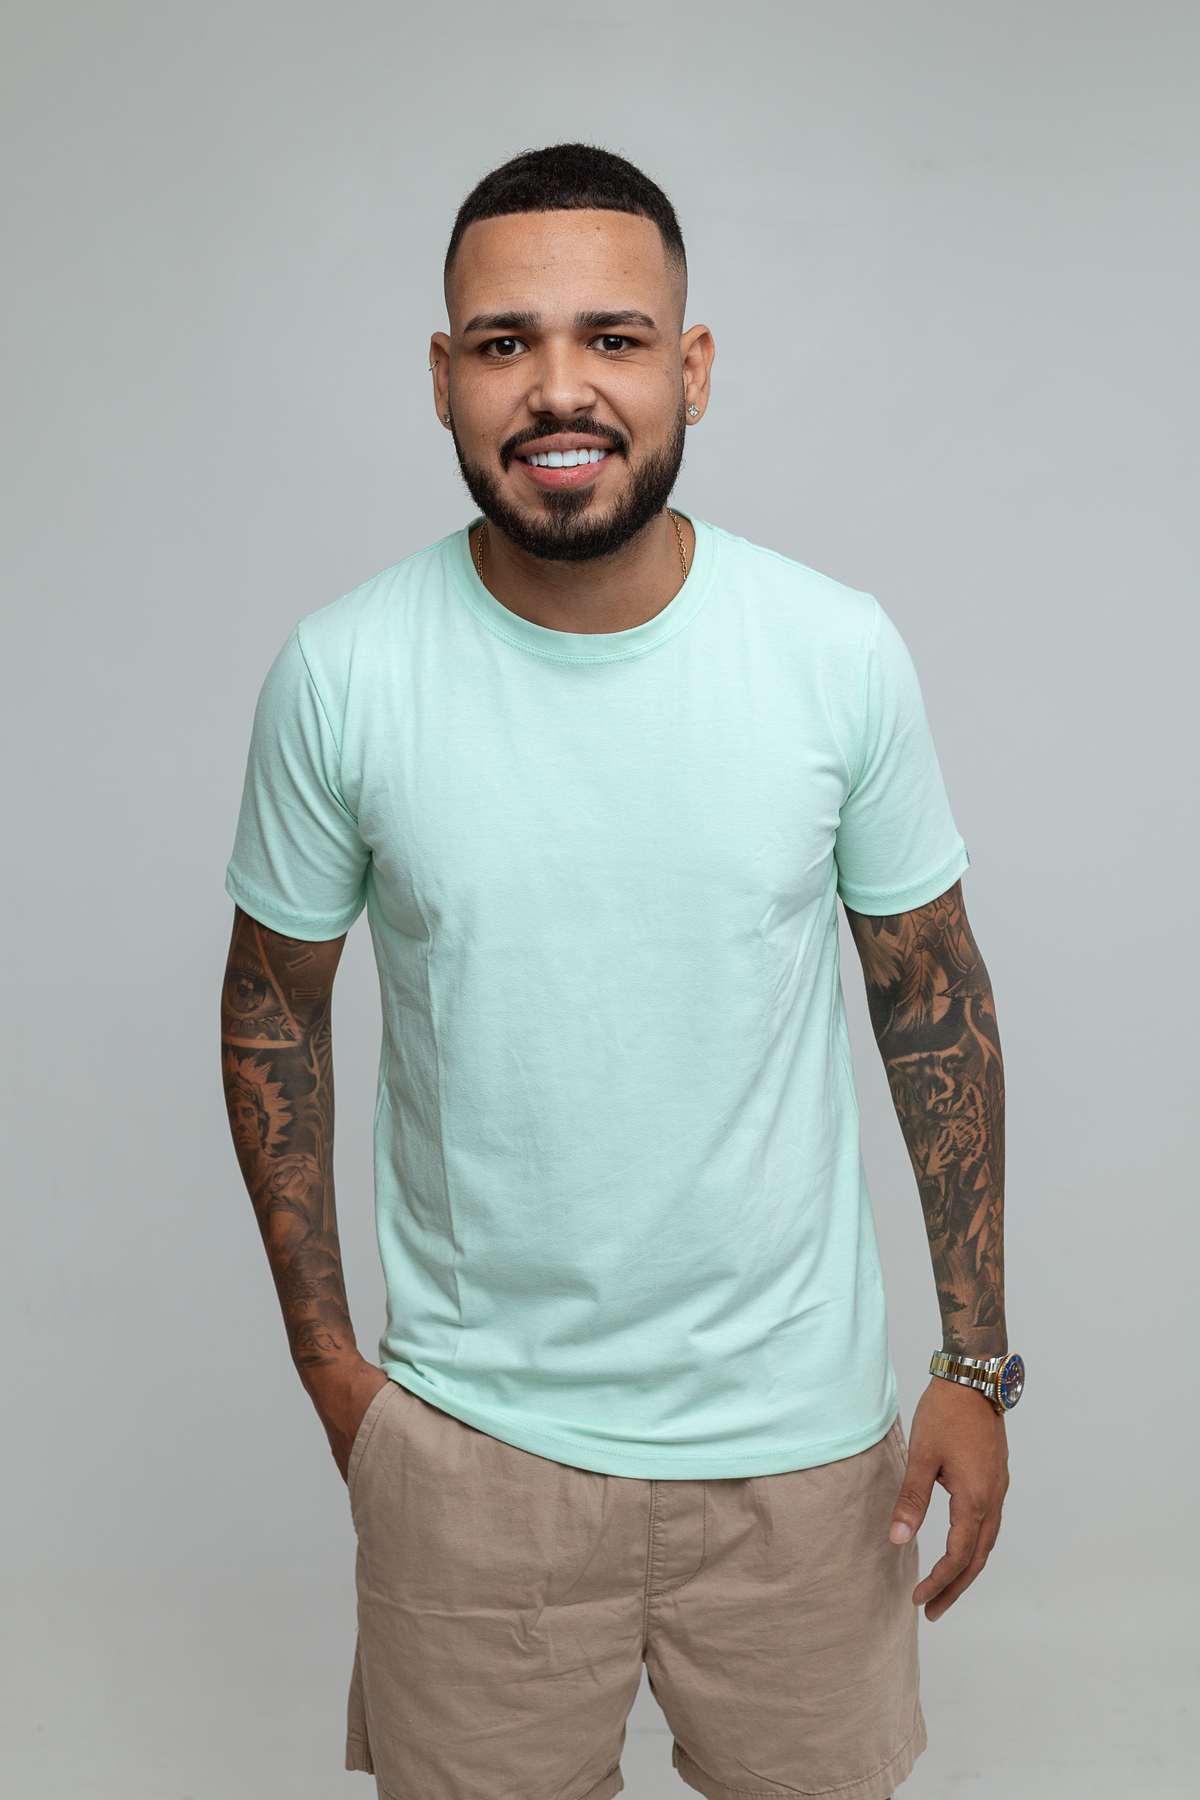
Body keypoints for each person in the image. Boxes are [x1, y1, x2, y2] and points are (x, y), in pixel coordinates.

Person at [221, 143, 1021, 1800]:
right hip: (470, 1457)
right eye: (504, 343)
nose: (559, 388)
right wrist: (331, 1371)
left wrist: (973, 1365)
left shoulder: (832, 651)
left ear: (692, 369)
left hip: (805, 1461)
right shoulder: (344, 672)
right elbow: (271, 1006)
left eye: (615, 336)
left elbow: (933, 997)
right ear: (442, 378)